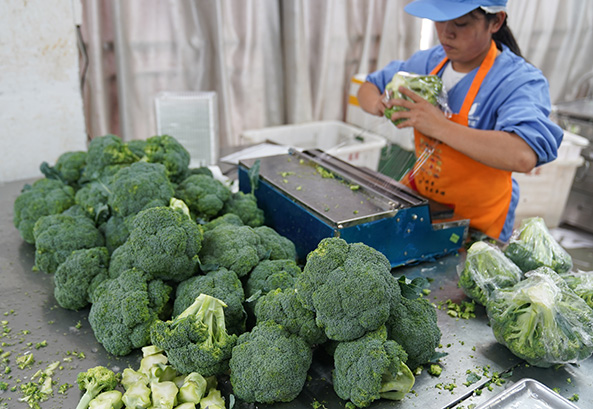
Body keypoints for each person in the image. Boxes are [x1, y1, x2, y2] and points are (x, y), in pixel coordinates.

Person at [357, 0, 564, 242]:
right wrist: (379, 103)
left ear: (496, 21)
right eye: (440, 20)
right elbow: (368, 86)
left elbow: (522, 155)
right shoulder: (428, 62)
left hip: (479, 224)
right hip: (423, 203)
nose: (447, 33)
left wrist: (439, 126)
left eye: (461, 23)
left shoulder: (517, 80)